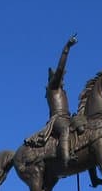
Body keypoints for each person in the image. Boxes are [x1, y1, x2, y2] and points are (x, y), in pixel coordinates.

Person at [26, 35, 78, 166]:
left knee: (84, 127)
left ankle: (93, 175)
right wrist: (66, 49)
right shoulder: (53, 87)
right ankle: (66, 159)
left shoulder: (62, 90)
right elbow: (60, 69)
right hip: (57, 120)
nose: (62, 79)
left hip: (67, 117)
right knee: (65, 129)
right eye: (59, 77)